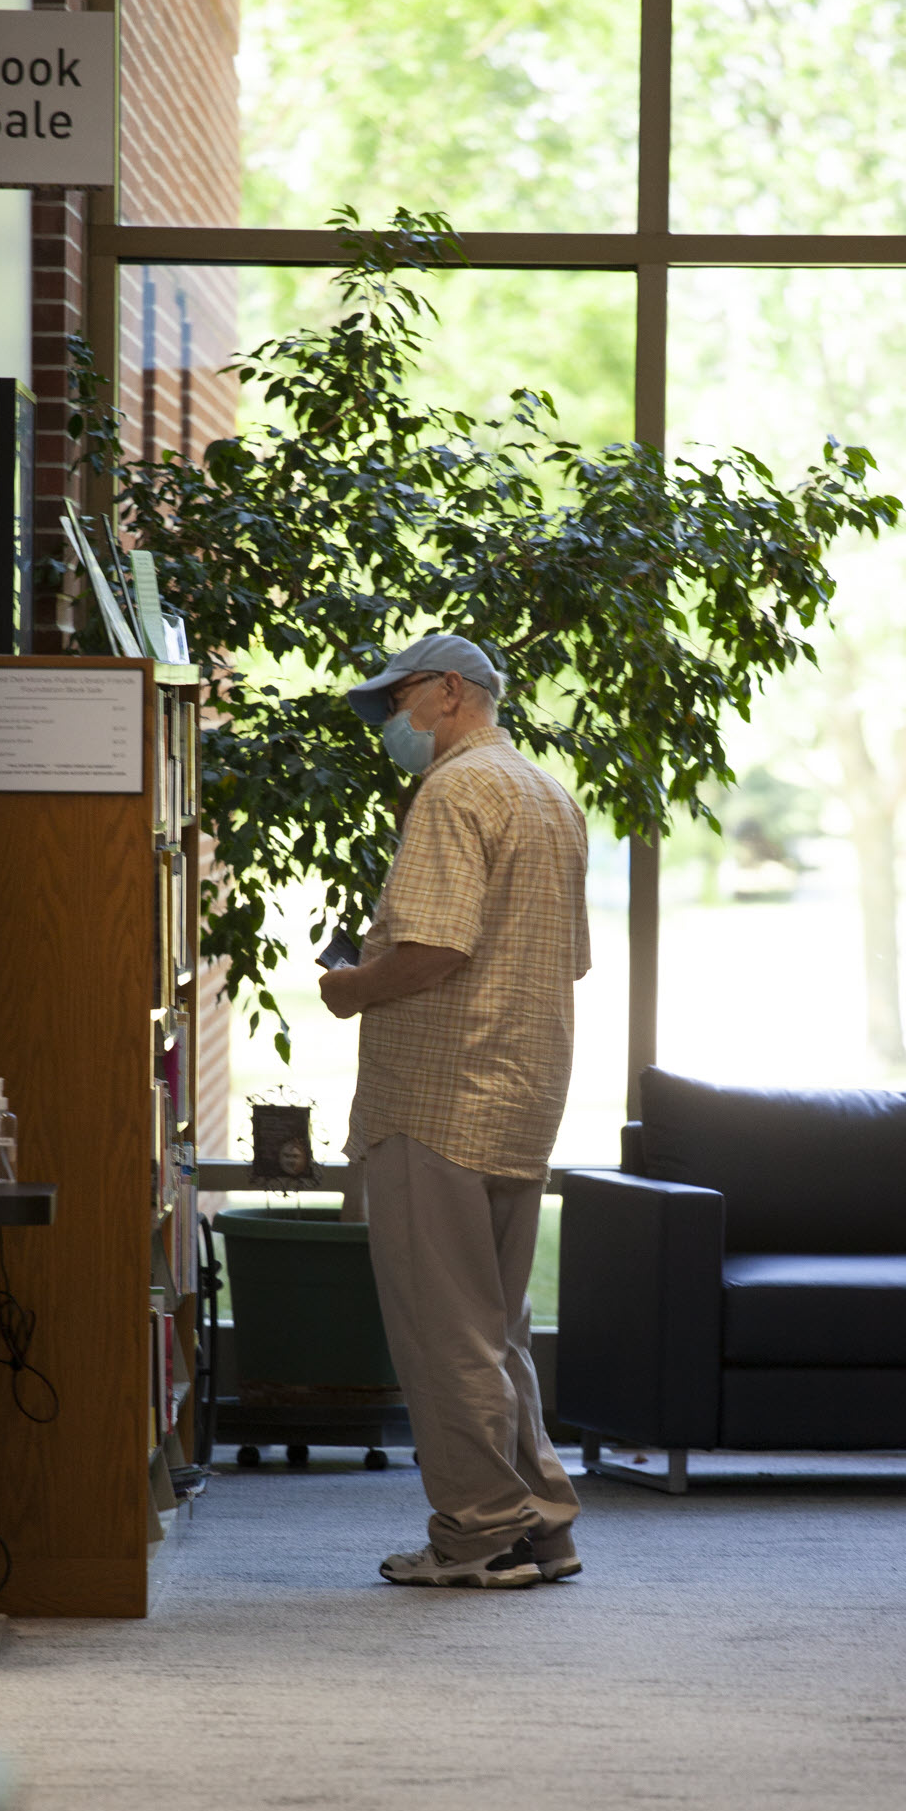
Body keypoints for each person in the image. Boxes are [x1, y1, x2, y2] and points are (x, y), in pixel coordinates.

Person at [319, 633, 590, 1589]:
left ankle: (480, 1534)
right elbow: (565, 956)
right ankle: (541, 1523)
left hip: (435, 1097)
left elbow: (432, 950)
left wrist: (350, 988)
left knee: (444, 1332)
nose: (390, 723)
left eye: (394, 701)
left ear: (445, 693)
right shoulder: (546, 794)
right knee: (495, 1327)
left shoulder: (454, 792)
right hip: (521, 1092)